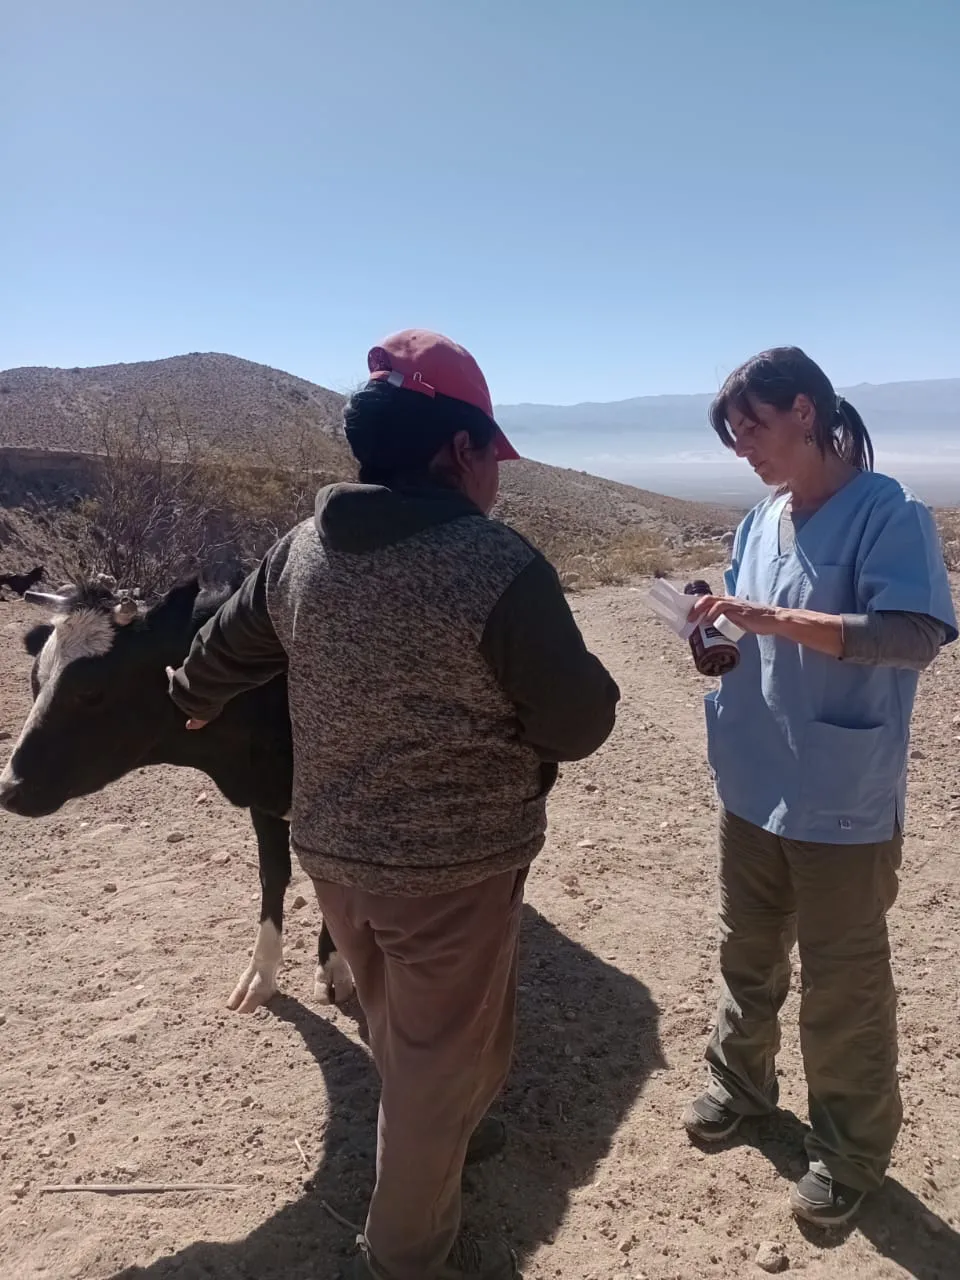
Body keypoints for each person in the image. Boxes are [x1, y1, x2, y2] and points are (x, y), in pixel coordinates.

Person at [167, 329, 620, 1279]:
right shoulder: (498, 567)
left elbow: (219, 654)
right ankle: (403, 1256)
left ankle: (453, 1133)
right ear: (457, 450)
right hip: (453, 875)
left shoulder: (300, 551)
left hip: (334, 861)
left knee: (405, 1027)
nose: (498, 473)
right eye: (492, 451)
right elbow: (579, 723)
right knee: (428, 1071)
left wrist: (194, 701)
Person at [682, 346, 956, 1226]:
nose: (744, 448)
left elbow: (913, 633)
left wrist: (769, 618)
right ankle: (741, 1087)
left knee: (844, 984)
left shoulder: (889, 512)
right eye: (733, 437)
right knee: (748, 952)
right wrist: (716, 626)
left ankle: (850, 1153)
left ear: (806, 410)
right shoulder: (760, 519)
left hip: (841, 793)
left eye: (753, 427)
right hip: (753, 779)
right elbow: (753, 624)